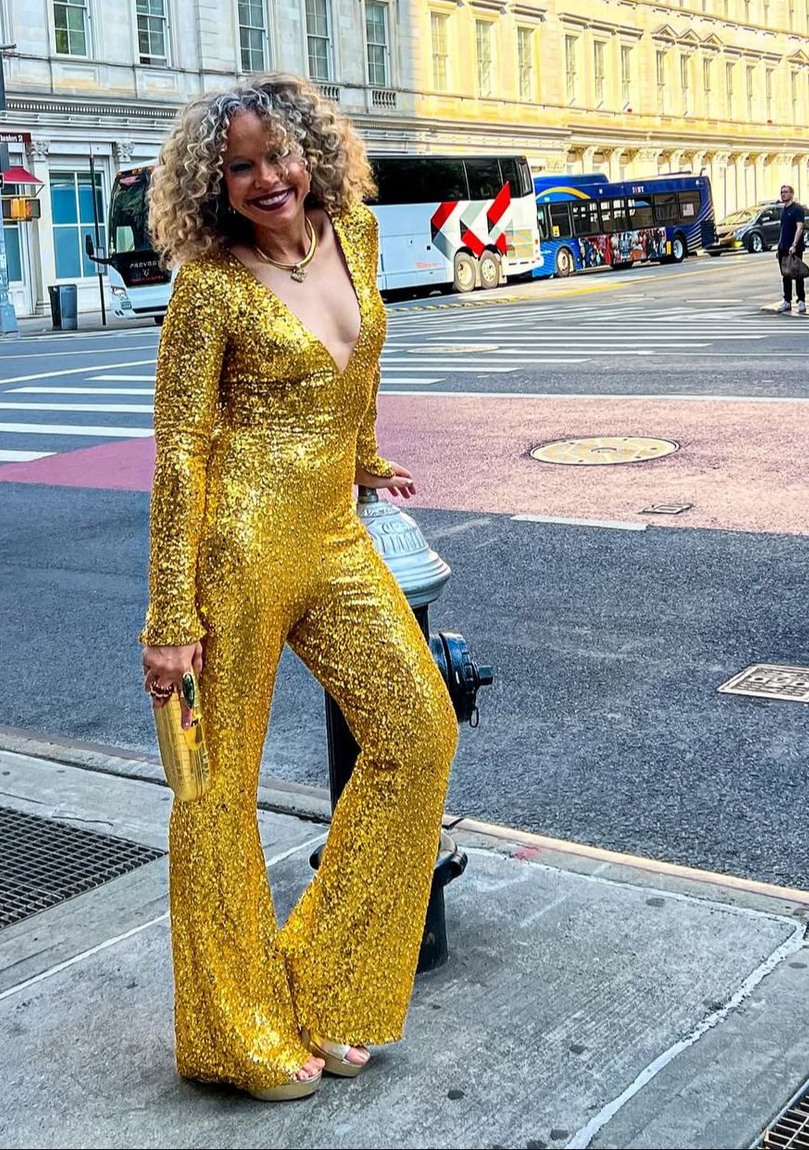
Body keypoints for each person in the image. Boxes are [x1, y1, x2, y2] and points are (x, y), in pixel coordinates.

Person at [140, 73, 458, 1103]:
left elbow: (359, 361)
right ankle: (233, 1035)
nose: (267, 179)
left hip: (330, 532)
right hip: (234, 547)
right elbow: (180, 454)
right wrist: (168, 615)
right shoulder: (209, 286)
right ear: (211, 184)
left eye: (278, 155)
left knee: (418, 731)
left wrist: (362, 456)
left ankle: (324, 981)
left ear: (311, 151)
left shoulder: (352, 235)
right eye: (239, 167)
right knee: (217, 794)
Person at [775, 184, 808, 313]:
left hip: (794, 247)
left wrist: (794, 244)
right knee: (785, 275)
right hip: (783, 247)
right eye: (782, 192)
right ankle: (787, 300)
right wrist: (779, 246)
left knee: (797, 274)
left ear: (792, 194)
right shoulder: (783, 210)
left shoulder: (797, 209)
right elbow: (783, 229)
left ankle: (801, 300)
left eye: (786, 192)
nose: (783, 194)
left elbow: (799, 227)